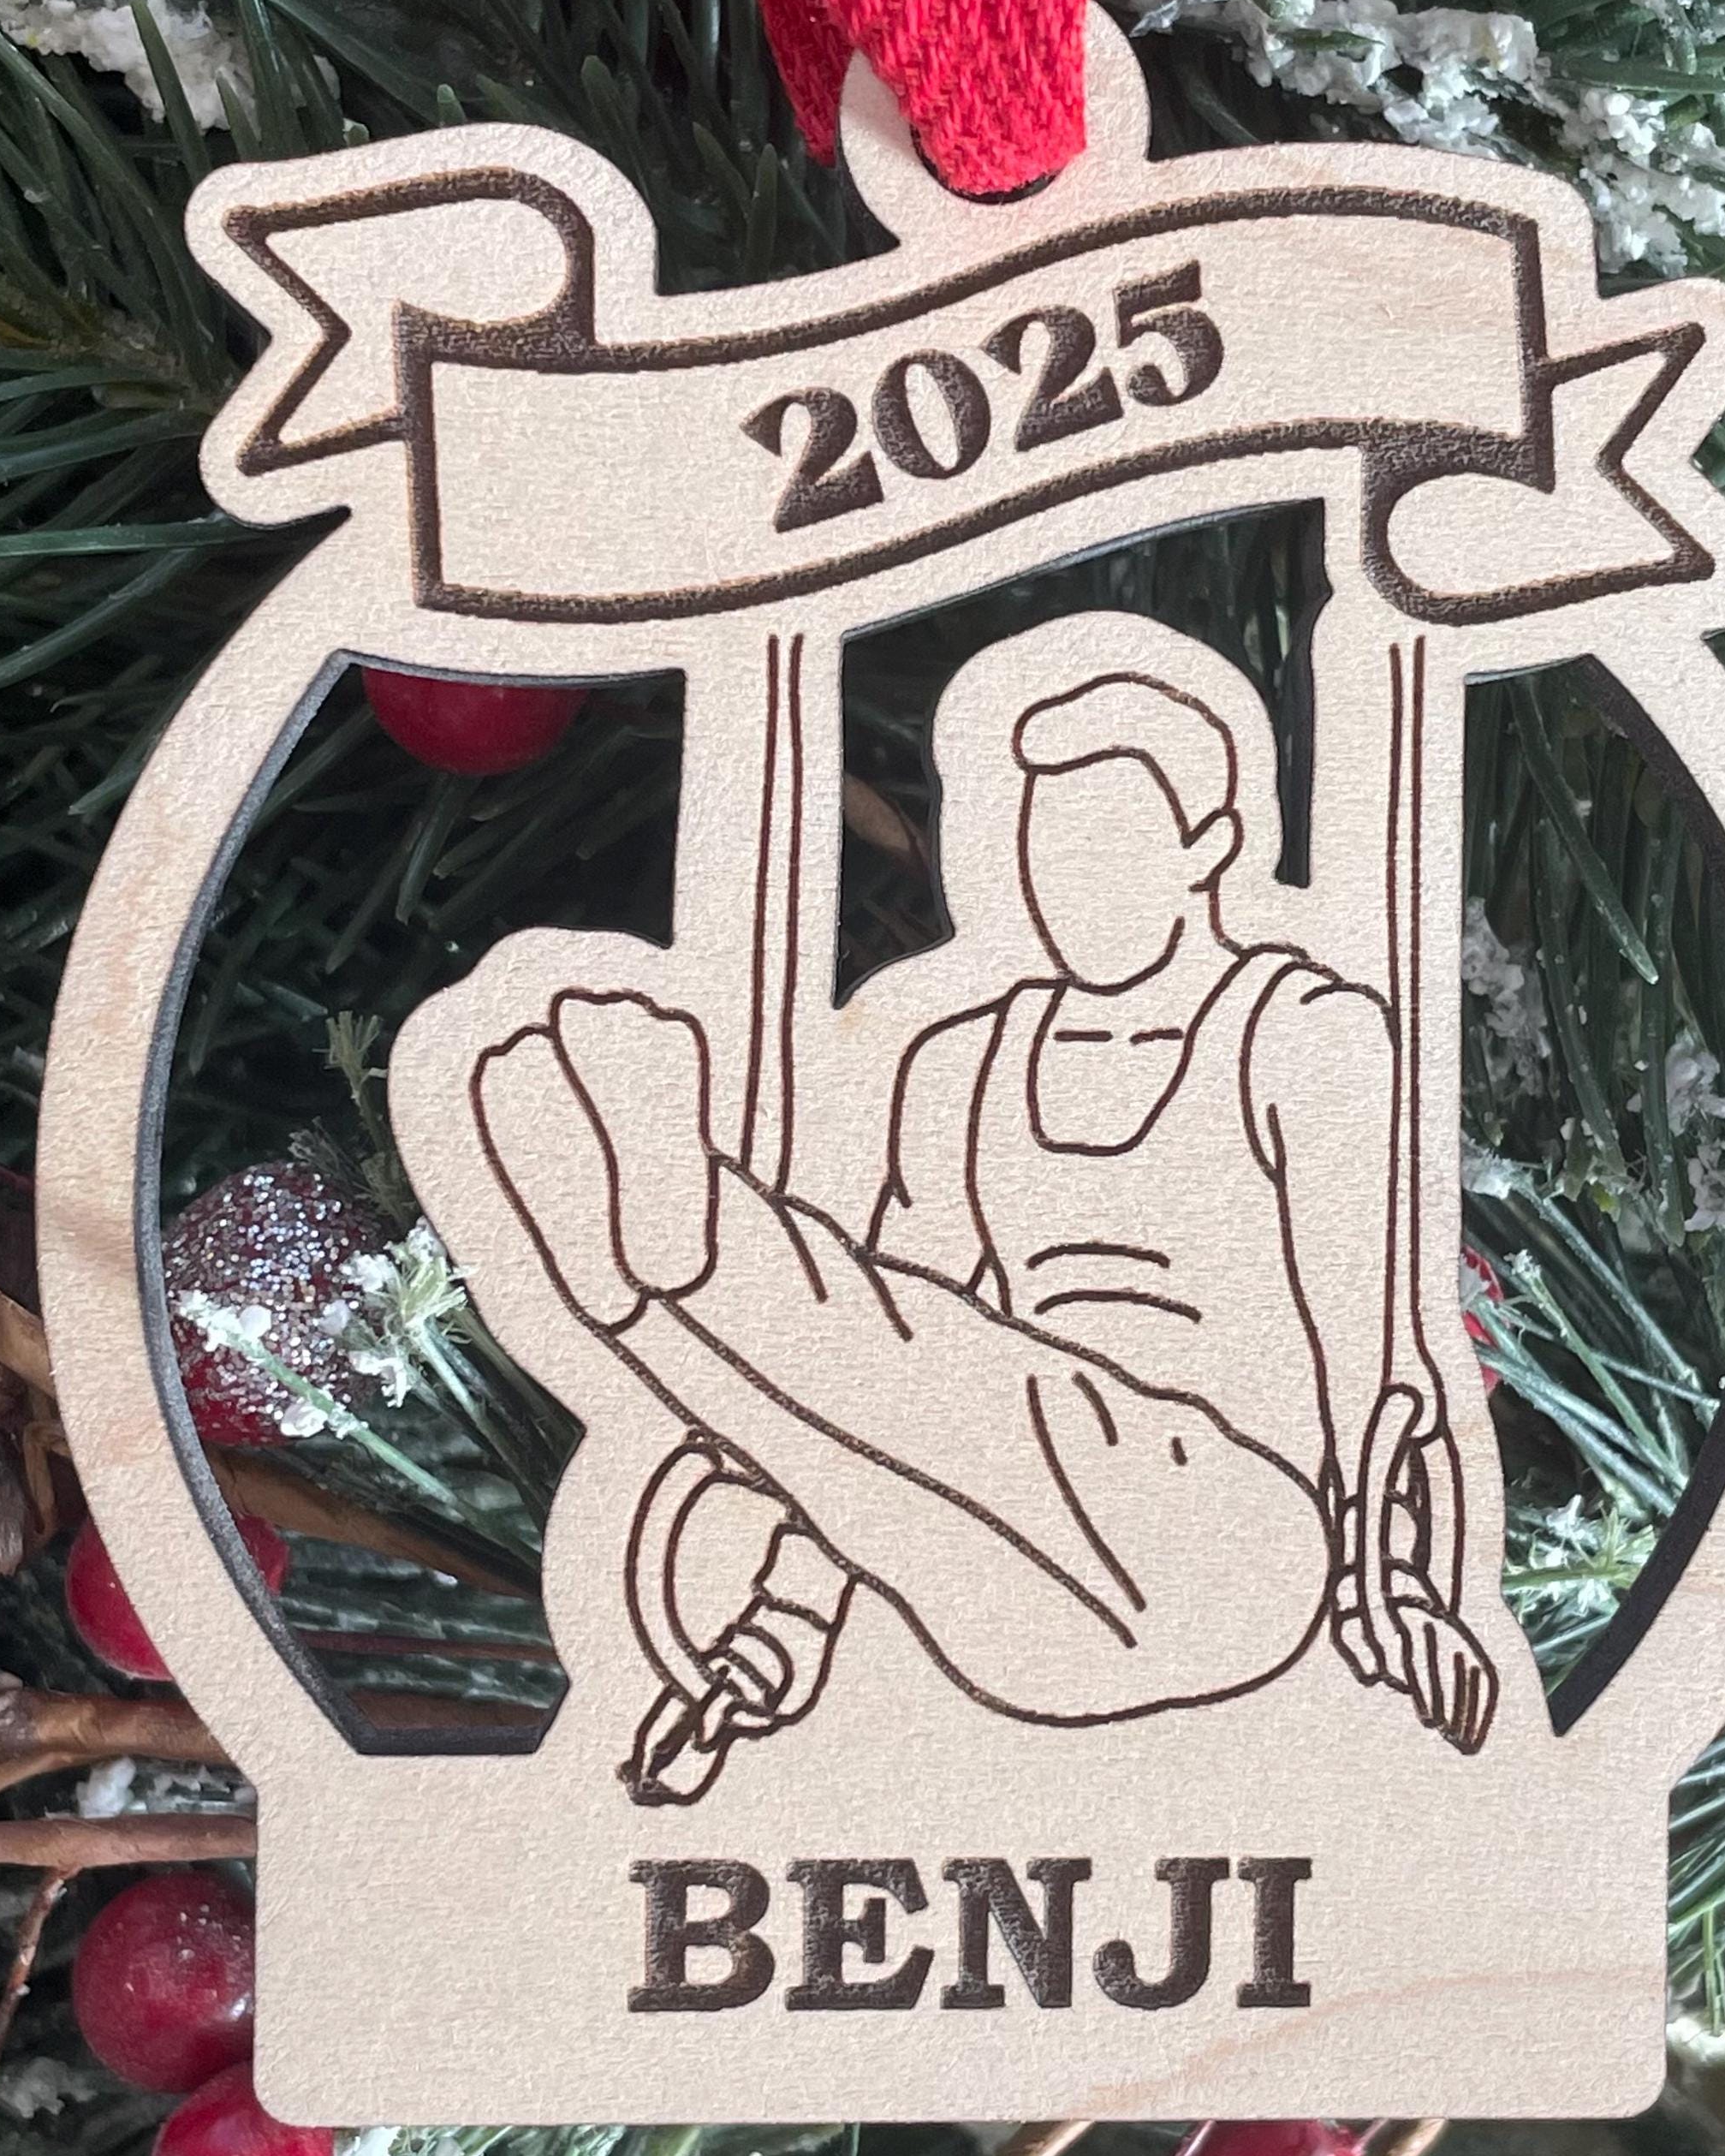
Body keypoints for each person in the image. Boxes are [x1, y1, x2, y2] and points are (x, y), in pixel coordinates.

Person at [473, 670, 1497, 1806]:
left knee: (980, 1392)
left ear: (1207, 846)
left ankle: (689, 1248)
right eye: (1049, 853)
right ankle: (641, 1289)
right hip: (1024, 1620)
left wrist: (1393, 1583)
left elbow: (1370, 1343)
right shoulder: (960, 1066)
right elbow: (887, 1369)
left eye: (1109, 849)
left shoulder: (1304, 1036)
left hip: (1241, 1540)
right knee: (927, 1383)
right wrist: (775, 1643)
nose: (1070, 889)